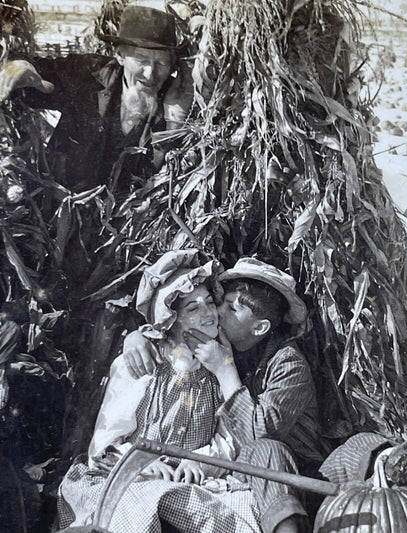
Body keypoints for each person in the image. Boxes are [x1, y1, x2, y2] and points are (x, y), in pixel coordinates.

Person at [122, 257, 325, 532]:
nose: (217, 312)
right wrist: (136, 338)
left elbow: (259, 435)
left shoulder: (289, 364)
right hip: (245, 474)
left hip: (297, 484)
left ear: (260, 328)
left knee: (267, 450)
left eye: (231, 308)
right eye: (222, 303)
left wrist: (225, 370)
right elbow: (170, 334)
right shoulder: (228, 346)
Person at [0, 5, 192, 195]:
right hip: (63, 208)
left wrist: (175, 119)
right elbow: (32, 73)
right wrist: (19, 66)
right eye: (141, 60)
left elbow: (172, 177)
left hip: (131, 220)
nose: (150, 73)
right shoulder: (87, 75)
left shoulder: (176, 100)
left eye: (161, 63)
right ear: (120, 55)